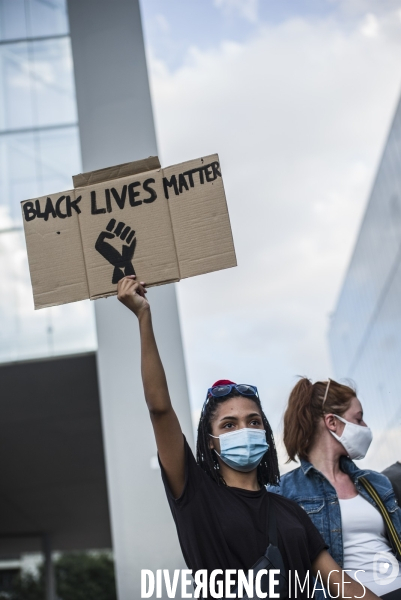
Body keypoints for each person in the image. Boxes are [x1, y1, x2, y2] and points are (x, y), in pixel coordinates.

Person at [117, 275, 379, 599]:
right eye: (229, 425)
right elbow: (159, 409)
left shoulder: (291, 511)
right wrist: (143, 316)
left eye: (253, 421)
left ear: (266, 435)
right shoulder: (195, 496)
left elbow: (344, 586)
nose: (244, 429)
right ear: (210, 442)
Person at [270, 377, 401, 599]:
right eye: (358, 419)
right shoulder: (284, 492)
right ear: (332, 422)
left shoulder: (376, 482)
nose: (366, 428)